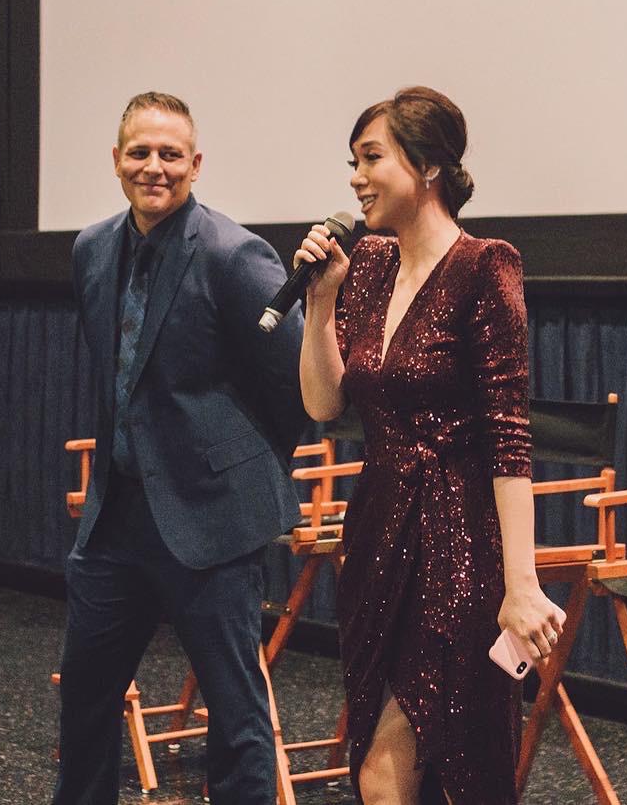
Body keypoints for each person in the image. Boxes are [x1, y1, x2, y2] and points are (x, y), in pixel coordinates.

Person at [293, 85, 564, 805]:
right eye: (352, 161)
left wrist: (522, 583)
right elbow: (323, 403)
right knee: (383, 766)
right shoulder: (368, 266)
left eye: (371, 158)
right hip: (377, 534)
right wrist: (321, 303)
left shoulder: (485, 266)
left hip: (458, 544)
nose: (356, 177)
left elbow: (509, 437)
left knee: (405, 770)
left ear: (429, 166)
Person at [54, 92, 307, 805]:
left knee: (236, 713)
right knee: (85, 698)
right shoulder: (91, 248)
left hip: (212, 519)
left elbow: (295, 384)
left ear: (196, 165)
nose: (154, 167)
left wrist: (239, 468)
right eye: (140, 152)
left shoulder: (233, 254)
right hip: (116, 520)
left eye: (171, 154)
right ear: (116, 160)